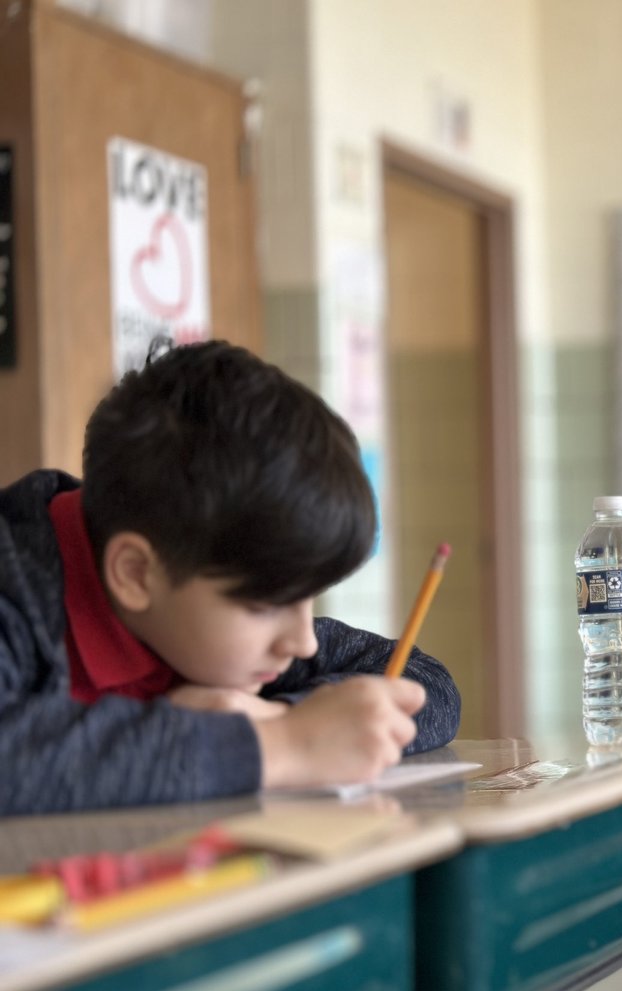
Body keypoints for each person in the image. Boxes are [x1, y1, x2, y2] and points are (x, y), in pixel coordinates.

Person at [0, 339, 461, 817]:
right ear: (136, 574)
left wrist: (291, 718)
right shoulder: (18, 591)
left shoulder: (198, 592)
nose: (302, 642)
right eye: (266, 604)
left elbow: (429, 686)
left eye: (308, 599)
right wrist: (279, 746)